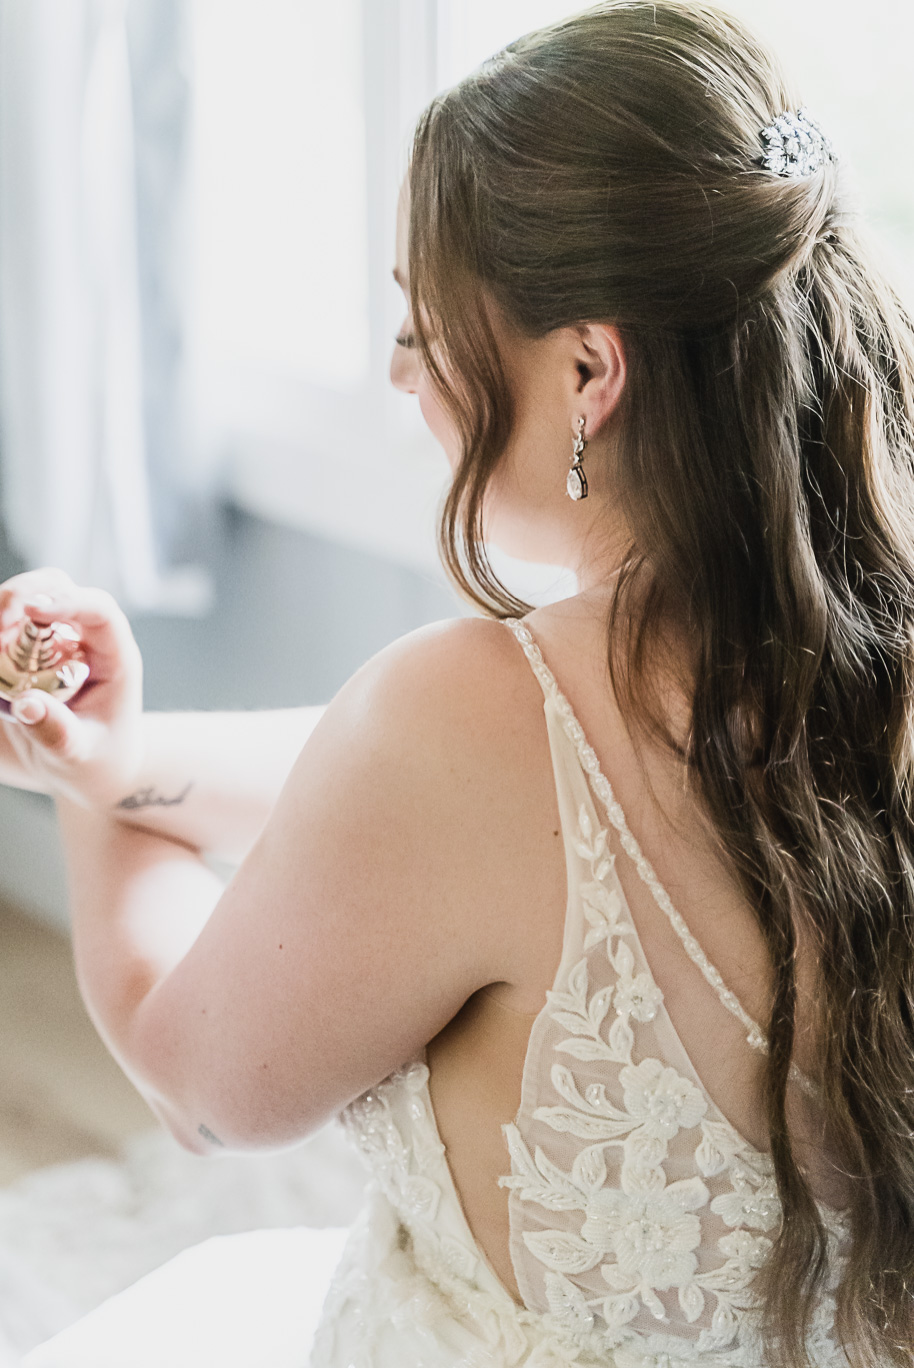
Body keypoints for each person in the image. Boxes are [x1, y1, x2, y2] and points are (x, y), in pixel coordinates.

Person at [3, 0, 914, 1363]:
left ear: (587, 368)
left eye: (424, 334)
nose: (397, 375)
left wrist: (89, 805)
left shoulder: (470, 714)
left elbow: (205, 1091)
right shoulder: (849, 658)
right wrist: (122, 759)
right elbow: (404, 801)